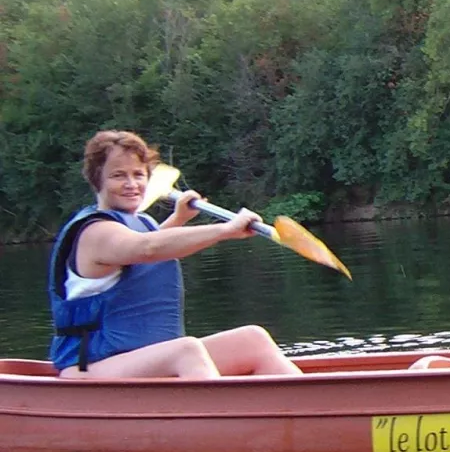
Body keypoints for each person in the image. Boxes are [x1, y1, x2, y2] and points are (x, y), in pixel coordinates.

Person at [48, 130, 301, 378]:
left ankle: (309, 407)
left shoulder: (141, 223)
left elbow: (145, 254)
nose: (131, 184)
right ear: (97, 180)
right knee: (186, 350)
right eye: (118, 175)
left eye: (138, 174)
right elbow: (146, 248)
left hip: (143, 358)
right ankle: (224, 417)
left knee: (252, 340)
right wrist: (225, 230)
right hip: (88, 367)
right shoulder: (95, 232)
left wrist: (179, 218)